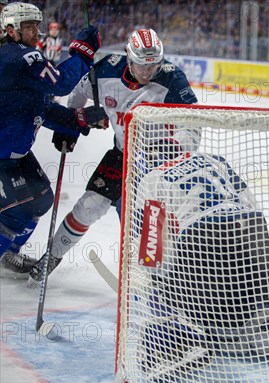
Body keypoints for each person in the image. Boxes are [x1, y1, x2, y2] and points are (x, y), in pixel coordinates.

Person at [132, 130, 269, 376]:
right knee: (249, 310)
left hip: (203, 244)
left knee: (159, 287)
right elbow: (250, 204)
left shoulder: (152, 178)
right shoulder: (213, 159)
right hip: (254, 241)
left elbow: (151, 253)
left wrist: (159, 284)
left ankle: (176, 343)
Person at [27, 28, 200, 284]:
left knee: (151, 225)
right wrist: (72, 127)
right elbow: (77, 94)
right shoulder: (105, 71)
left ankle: (162, 280)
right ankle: (48, 260)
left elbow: (194, 123)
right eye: (142, 65)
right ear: (129, 58)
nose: (147, 72)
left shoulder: (172, 79)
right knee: (88, 206)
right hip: (122, 155)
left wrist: (174, 149)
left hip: (159, 167)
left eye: (153, 66)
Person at [0, 2, 101, 277]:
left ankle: (8, 252)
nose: (36, 32)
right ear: (11, 31)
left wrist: (79, 119)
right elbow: (60, 83)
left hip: (16, 154)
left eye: (37, 25)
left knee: (42, 199)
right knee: (11, 213)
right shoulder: (19, 57)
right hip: (1, 157)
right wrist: (83, 52)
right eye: (29, 26)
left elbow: (40, 106)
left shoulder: (17, 60)